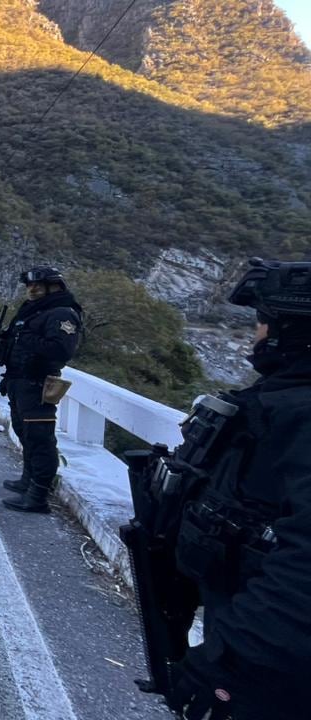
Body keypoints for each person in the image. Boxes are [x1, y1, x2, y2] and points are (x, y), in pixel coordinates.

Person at [159, 258, 311, 720]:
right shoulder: (276, 404)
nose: (256, 335)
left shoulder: (298, 415)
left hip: (267, 670)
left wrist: (231, 665)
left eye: (263, 322)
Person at [0, 266, 83, 513]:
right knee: (24, 433)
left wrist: (23, 338)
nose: (31, 290)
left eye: (38, 285)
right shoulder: (35, 311)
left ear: (54, 287)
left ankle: (38, 496)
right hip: (19, 380)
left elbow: (61, 350)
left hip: (37, 383)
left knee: (40, 439)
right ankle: (27, 480)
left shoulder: (62, 314)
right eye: (29, 286)